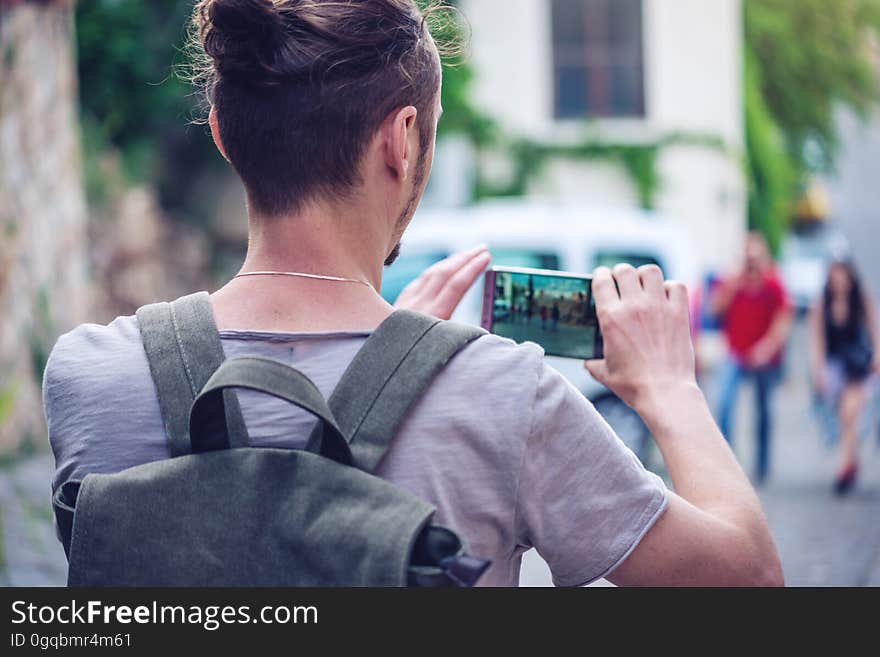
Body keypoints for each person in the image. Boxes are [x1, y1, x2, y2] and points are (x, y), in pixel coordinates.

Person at [42, 0, 782, 586]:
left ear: (224, 135)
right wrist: (669, 384)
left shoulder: (88, 377)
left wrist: (398, 366)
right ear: (401, 141)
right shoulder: (504, 397)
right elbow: (749, 584)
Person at [711, 232, 793, 484]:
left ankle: (762, 465)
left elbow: (783, 319)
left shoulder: (773, 283)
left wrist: (767, 347)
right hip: (736, 352)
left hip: (763, 357)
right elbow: (715, 310)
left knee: (763, 410)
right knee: (723, 403)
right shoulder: (732, 281)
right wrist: (734, 283)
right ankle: (727, 461)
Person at [808, 260, 880, 494]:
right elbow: (817, 340)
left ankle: (845, 466)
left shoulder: (861, 300)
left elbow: (874, 330)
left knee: (850, 413)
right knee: (845, 418)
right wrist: (818, 370)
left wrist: (877, 357)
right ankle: (852, 462)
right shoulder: (821, 305)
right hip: (836, 369)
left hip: (859, 366)